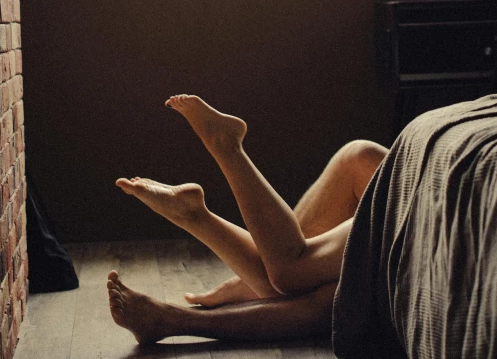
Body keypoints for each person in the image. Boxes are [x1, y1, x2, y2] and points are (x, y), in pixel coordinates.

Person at [107, 95, 387, 345]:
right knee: (292, 270)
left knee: (325, 290)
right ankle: (221, 163)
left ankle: (197, 282)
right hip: (417, 199)